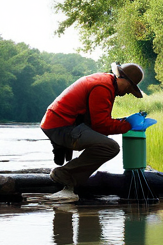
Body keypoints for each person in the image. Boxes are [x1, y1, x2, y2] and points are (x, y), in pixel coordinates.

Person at [38, 62, 147, 202]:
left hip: (61, 123)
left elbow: (99, 122)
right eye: (129, 88)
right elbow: (101, 125)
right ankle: (65, 174)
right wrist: (127, 125)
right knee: (110, 147)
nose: (127, 93)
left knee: (102, 139)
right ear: (122, 78)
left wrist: (123, 121)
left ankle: (72, 173)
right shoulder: (103, 87)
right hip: (61, 126)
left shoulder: (105, 81)